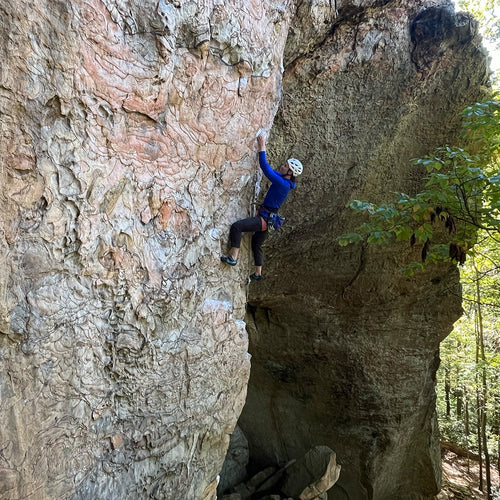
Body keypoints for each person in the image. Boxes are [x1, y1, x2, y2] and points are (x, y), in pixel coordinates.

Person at [221, 133, 303, 280]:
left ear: (290, 172)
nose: (282, 166)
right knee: (256, 244)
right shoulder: (286, 182)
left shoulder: (282, 183)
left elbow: (266, 169)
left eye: (285, 166)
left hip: (264, 220)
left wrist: (262, 146)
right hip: (269, 221)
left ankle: (233, 257)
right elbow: (272, 171)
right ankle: (258, 273)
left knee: (237, 227)